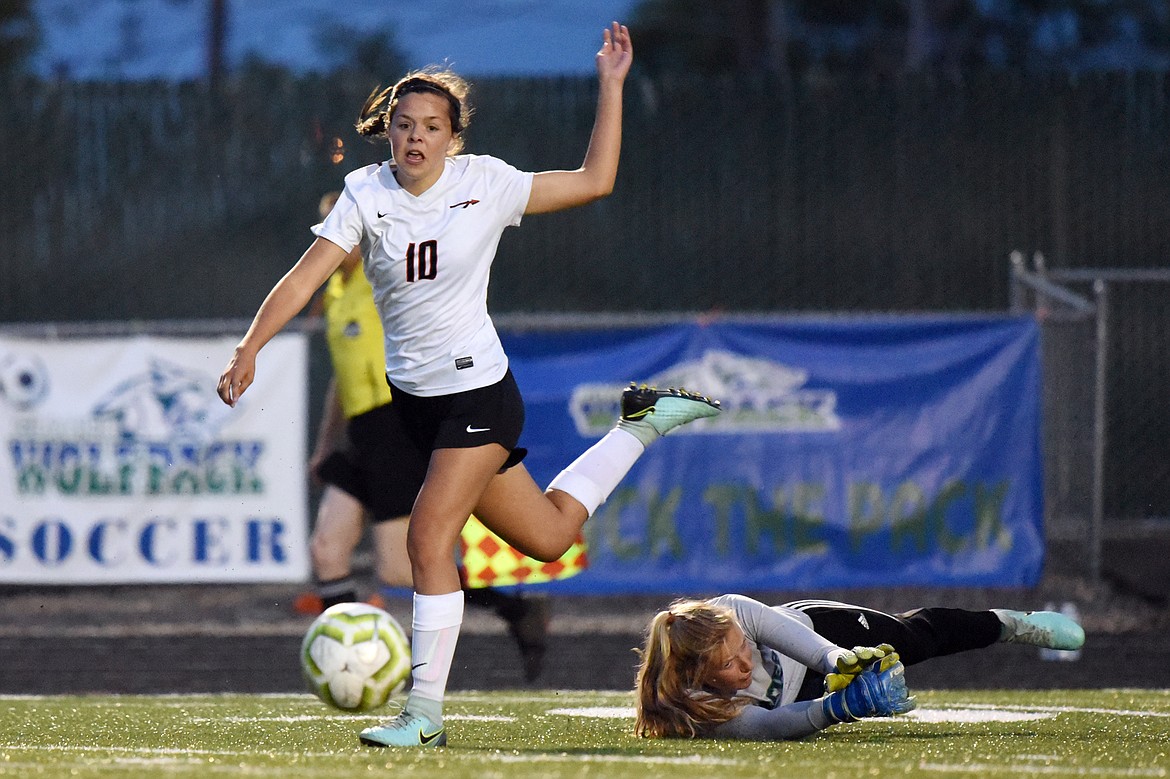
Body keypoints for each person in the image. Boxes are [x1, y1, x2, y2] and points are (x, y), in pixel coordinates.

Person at [218, 22, 721, 748]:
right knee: (547, 537)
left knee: (427, 535)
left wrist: (610, 86)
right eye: (402, 125)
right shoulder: (364, 192)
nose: (415, 138)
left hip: (478, 393)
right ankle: (641, 422)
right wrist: (249, 345)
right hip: (416, 406)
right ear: (385, 132)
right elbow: (304, 276)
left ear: (453, 138)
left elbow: (594, 181)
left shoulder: (484, 183)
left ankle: (423, 714)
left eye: (431, 126)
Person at [296, 190, 560, 683]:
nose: (337, 236)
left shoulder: (383, 276)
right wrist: (325, 444)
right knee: (326, 551)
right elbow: (342, 375)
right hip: (360, 432)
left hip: (396, 424)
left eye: (345, 225)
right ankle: (347, 666)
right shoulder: (333, 293)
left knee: (399, 569)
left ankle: (515, 608)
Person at [634, 593, 1086, 741]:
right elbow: (767, 726)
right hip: (801, 697)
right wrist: (839, 708)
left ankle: (1011, 624)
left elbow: (815, 649)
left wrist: (842, 661)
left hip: (816, 635)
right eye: (730, 665)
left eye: (741, 648)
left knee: (912, 638)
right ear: (698, 675)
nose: (745, 662)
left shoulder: (733, 610)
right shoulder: (691, 705)